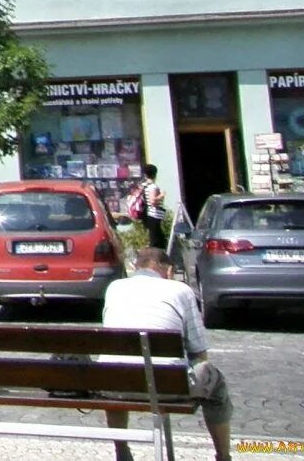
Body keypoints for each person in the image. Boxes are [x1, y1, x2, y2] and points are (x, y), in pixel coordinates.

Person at [101, 245, 232, 461]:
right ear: (168, 270)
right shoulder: (179, 290)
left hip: (115, 385)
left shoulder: (114, 287)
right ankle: (223, 456)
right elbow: (199, 352)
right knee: (215, 383)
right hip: (166, 386)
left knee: (117, 368)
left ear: (136, 266)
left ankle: (122, 451)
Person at [125, 164, 170, 251]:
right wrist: (161, 195)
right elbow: (153, 201)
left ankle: (158, 254)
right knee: (156, 238)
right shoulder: (153, 187)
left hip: (147, 214)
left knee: (157, 237)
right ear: (155, 174)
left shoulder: (144, 185)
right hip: (154, 215)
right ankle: (156, 257)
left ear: (145, 174)